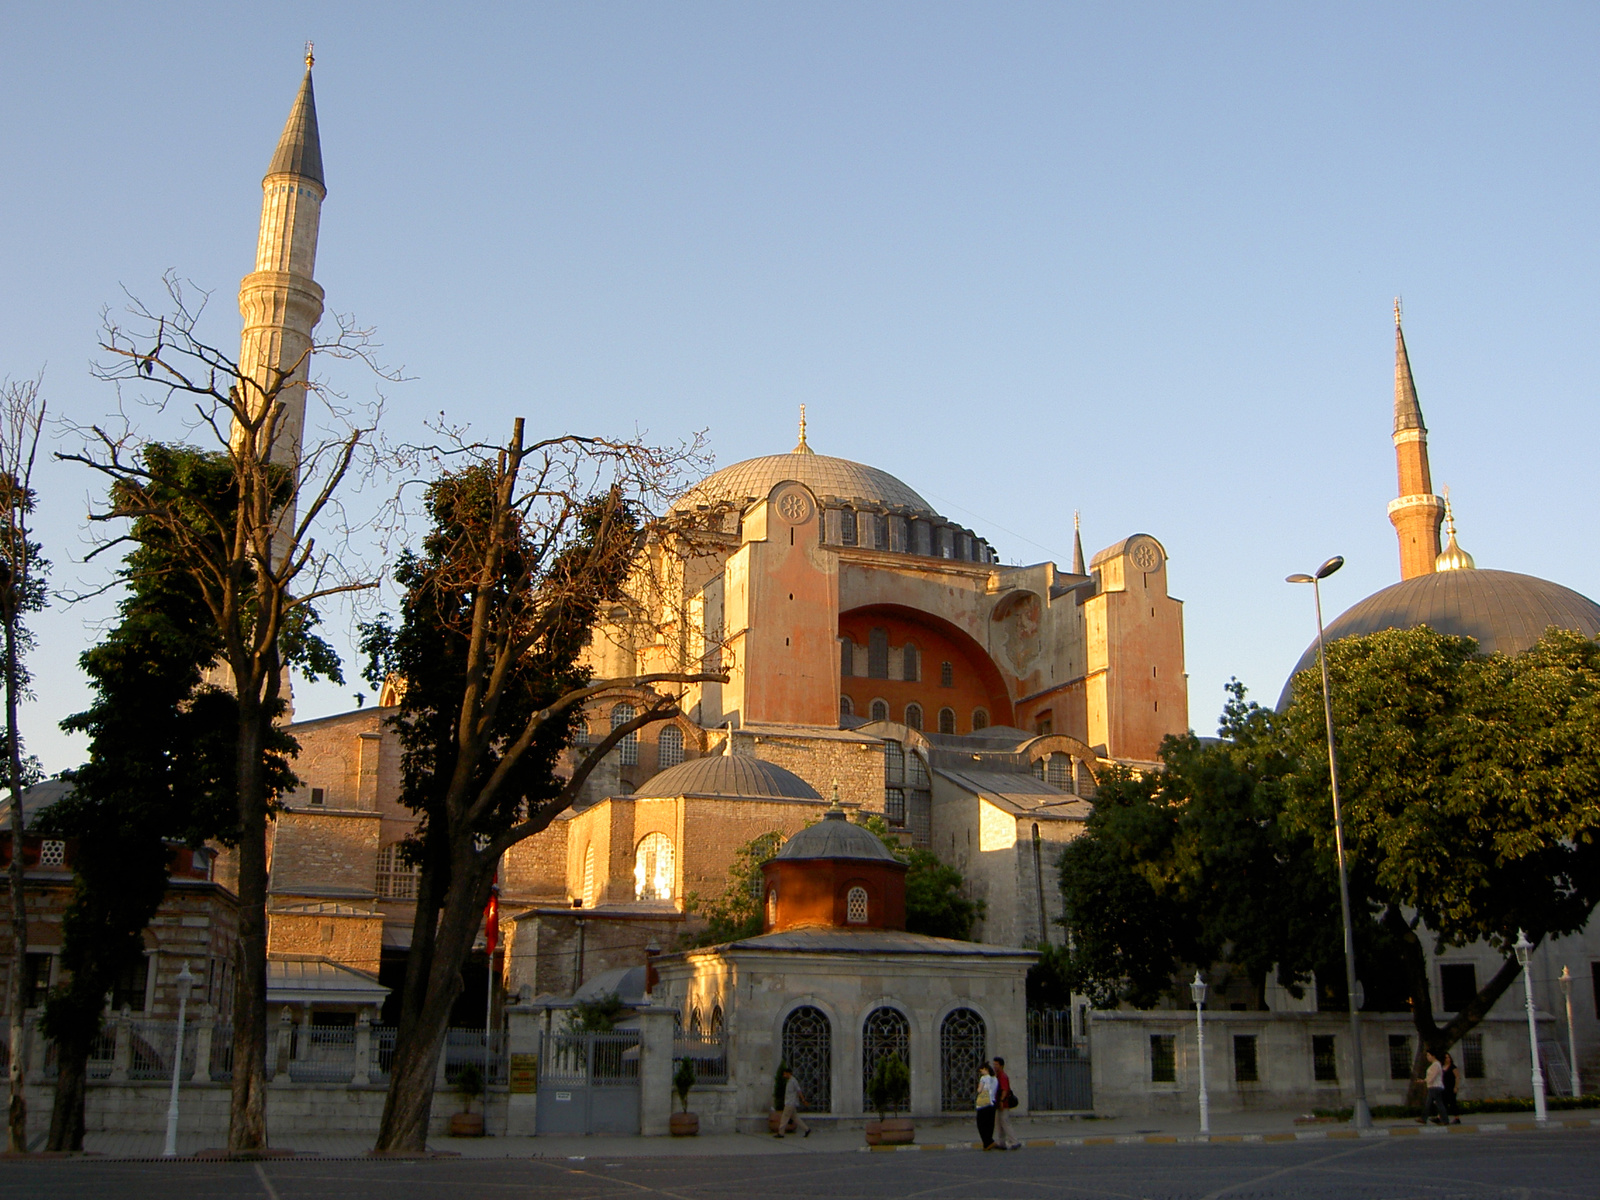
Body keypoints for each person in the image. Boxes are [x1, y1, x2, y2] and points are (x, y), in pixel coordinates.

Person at [991, 1056, 1022, 1150]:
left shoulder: (1003, 1076)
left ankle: (1014, 1141)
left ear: (1001, 1065)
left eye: (996, 1064)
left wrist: (1001, 1101)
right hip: (998, 1103)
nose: (995, 1066)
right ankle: (1001, 1143)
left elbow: (1004, 1090)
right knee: (999, 1124)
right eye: (994, 1064)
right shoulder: (998, 1076)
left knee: (1005, 1122)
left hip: (1003, 1104)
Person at [774, 1068, 811, 1138]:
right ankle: (807, 1129)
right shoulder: (789, 1081)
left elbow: (799, 1091)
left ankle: (781, 1133)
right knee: (795, 1118)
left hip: (790, 1103)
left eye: (785, 1073)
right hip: (790, 1103)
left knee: (784, 1118)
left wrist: (803, 1100)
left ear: (788, 1073)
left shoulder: (793, 1081)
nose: (784, 1075)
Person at [1420, 1050, 1449, 1126]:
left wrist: (1427, 1081)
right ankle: (1424, 1118)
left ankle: (1444, 1120)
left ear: (1433, 1056)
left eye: (1429, 1055)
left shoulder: (1436, 1064)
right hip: (1432, 1086)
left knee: (1438, 1103)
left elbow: (1433, 1076)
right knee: (1429, 1103)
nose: (1427, 1057)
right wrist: (1424, 1080)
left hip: (1435, 1086)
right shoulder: (1434, 1064)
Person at [975, 1062, 999, 1149]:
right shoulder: (995, 1079)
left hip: (983, 1104)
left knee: (981, 1124)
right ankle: (989, 1141)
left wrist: (978, 1088)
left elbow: (979, 1090)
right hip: (992, 1103)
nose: (981, 1073)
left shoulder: (984, 1078)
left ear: (986, 1069)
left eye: (981, 1071)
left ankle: (987, 1142)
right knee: (990, 1124)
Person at [1441, 1051, 1462, 1124]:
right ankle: (1443, 1118)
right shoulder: (1442, 1067)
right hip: (1444, 1088)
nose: (1448, 1059)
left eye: (1449, 1057)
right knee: (1443, 1103)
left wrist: (1456, 1087)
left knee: (1452, 1103)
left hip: (1451, 1087)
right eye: (1446, 1058)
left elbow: (1457, 1077)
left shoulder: (1453, 1067)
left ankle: (1457, 1118)